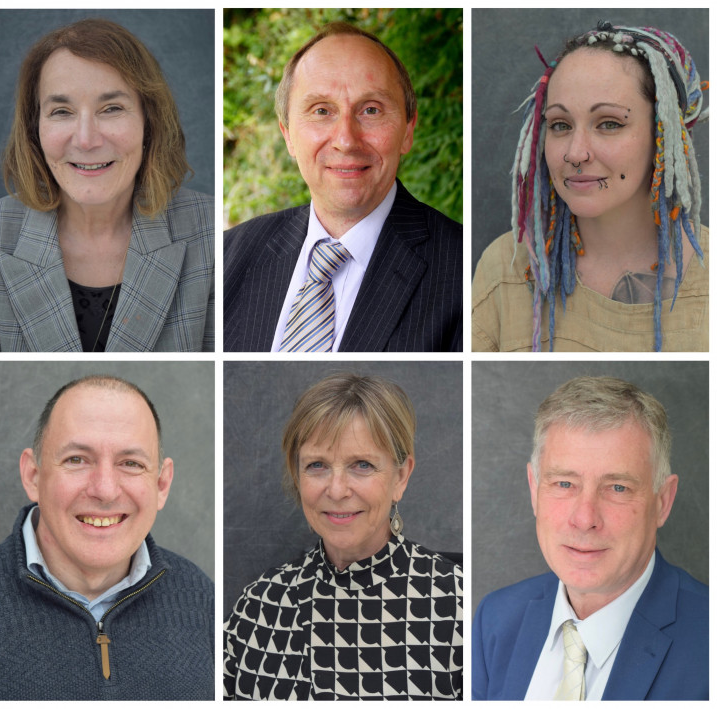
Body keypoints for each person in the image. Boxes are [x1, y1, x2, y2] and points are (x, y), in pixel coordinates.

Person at [0, 19, 214, 352]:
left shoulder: (212, 234)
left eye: (111, 108)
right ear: (35, 129)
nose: (86, 140)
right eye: (62, 111)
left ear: (149, 121)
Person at [224, 22, 462, 352]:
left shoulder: (464, 270)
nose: (346, 140)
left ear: (408, 129)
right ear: (288, 134)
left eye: (371, 110)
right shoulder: (225, 258)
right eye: (321, 110)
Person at [223, 373, 462, 699]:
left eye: (361, 465)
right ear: (297, 475)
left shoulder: (457, 602)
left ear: (400, 477)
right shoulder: (257, 606)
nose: (336, 490)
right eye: (317, 465)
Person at [472, 23, 708, 352]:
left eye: (609, 123)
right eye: (560, 125)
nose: (575, 152)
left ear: (664, 135)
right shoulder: (505, 266)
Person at [0, 375, 214, 699]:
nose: (104, 489)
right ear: (33, 476)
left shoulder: (200, 599)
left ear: (161, 485)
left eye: (130, 463)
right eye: (77, 460)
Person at [473, 376, 707, 700]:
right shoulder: (495, 620)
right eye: (564, 484)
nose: (585, 519)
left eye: (618, 488)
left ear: (662, 502)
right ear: (534, 489)